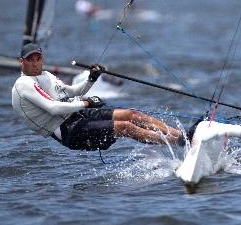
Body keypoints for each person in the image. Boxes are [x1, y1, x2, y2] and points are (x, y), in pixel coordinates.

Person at [11, 42, 184, 151]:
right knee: (125, 127)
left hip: (79, 115)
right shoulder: (23, 84)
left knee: (132, 114)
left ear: (42, 59)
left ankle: (182, 136)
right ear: (22, 62)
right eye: (30, 60)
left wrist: (91, 78)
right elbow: (53, 108)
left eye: (38, 58)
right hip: (68, 131)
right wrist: (86, 103)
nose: (35, 63)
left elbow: (73, 92)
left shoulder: (46, 75)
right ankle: (177, 143)